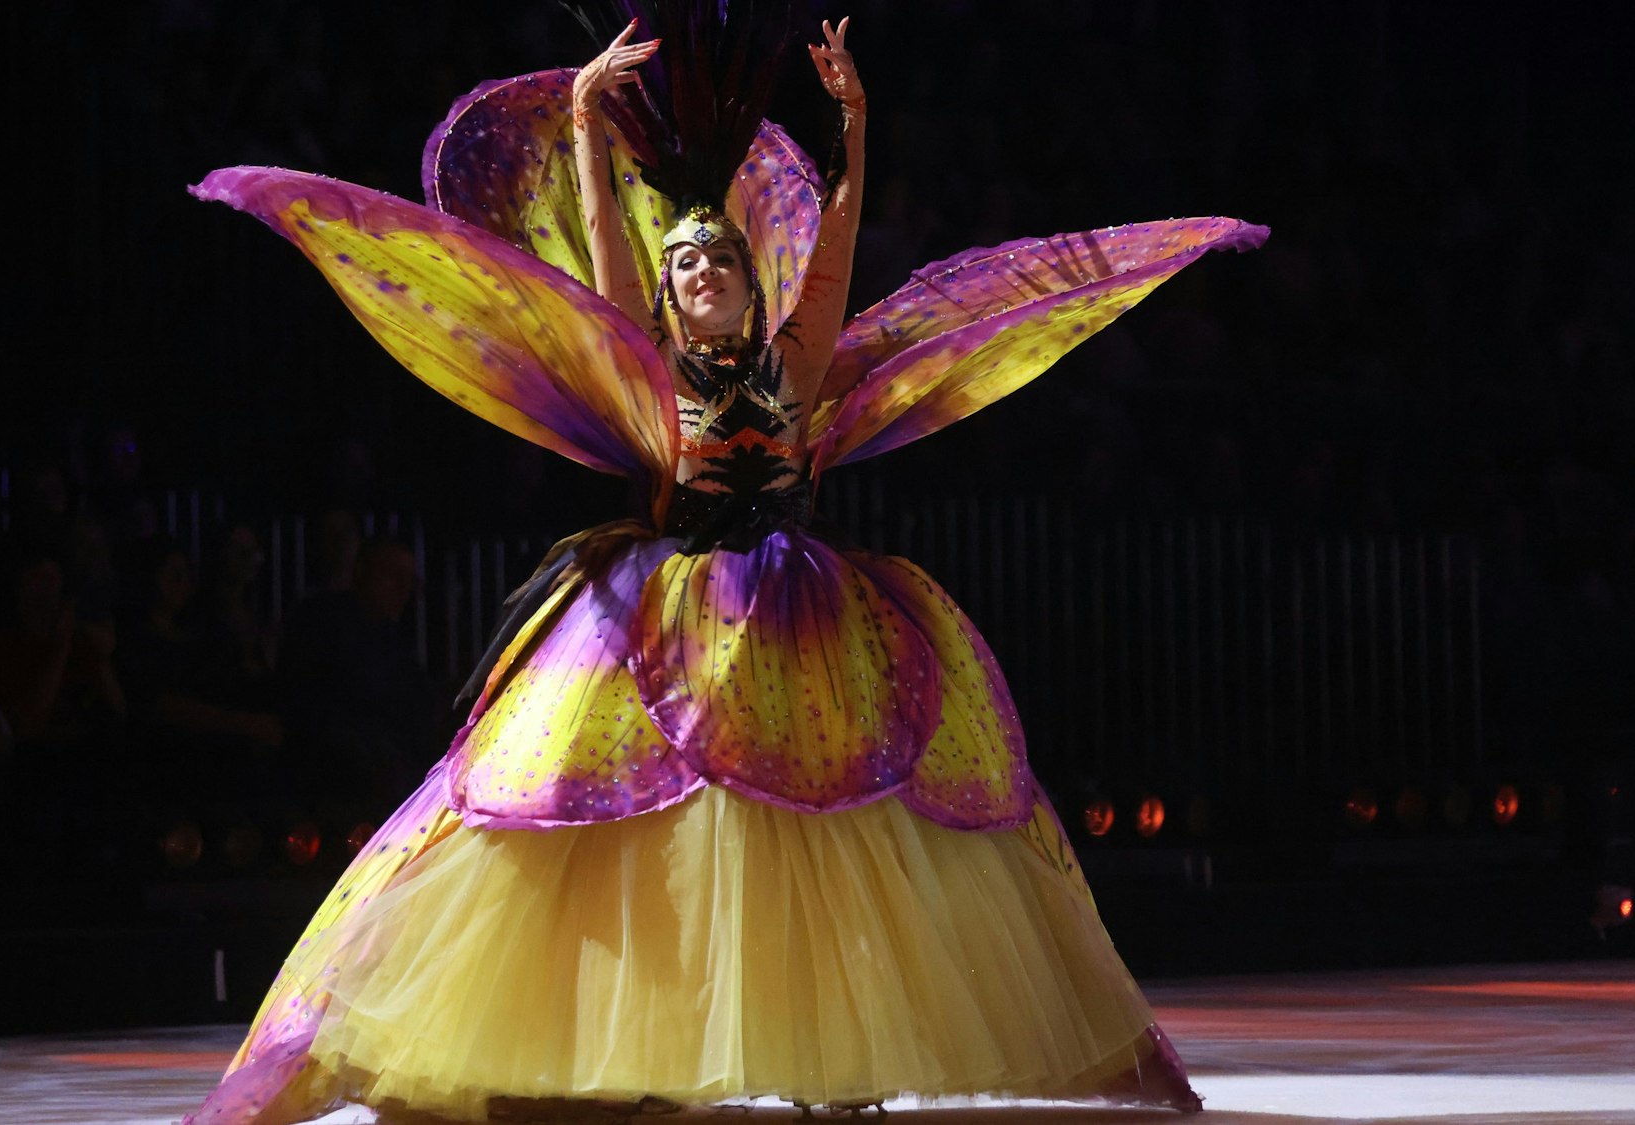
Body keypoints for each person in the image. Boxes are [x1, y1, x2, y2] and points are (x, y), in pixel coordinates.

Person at [186, 7, 1264, 1122]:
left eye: (717, 257)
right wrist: (581, 120)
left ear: (753, 286)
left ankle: (832, 1057)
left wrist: (852, 121)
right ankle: (623, 1043)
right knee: (604, 812)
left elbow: (839, 247)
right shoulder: (647, 362)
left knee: (821, 833)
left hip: (801, 622)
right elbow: (607, 254)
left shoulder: (793, 366)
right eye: (683, 260)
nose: (698, 267)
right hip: (665, 615)